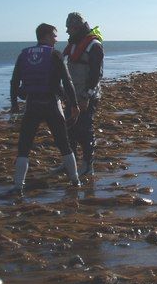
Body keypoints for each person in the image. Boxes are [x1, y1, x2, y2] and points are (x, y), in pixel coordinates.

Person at [10, 23, 81, 194]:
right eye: (54, 36)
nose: (56, 40)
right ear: (47, 36)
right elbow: (67, 81)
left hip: (32, 104)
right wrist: (74, 104)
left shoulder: (23, 55)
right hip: (51, 105)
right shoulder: (55, 54)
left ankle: (18, 186)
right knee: (64, 144)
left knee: (24, 147)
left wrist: (14, 105)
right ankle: (75, 180)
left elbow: (14, 82)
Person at [60, 12, 104, 176]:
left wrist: (87, 96)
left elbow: (96, 74)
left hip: (87, 96)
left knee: (85, 130)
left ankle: (87, 165)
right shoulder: (72, 44)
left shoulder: (94, 46)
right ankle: (69, 164)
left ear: (77, 27)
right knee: (68, 130)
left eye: (69, 28)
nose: (67, 32)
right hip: (71, 95)